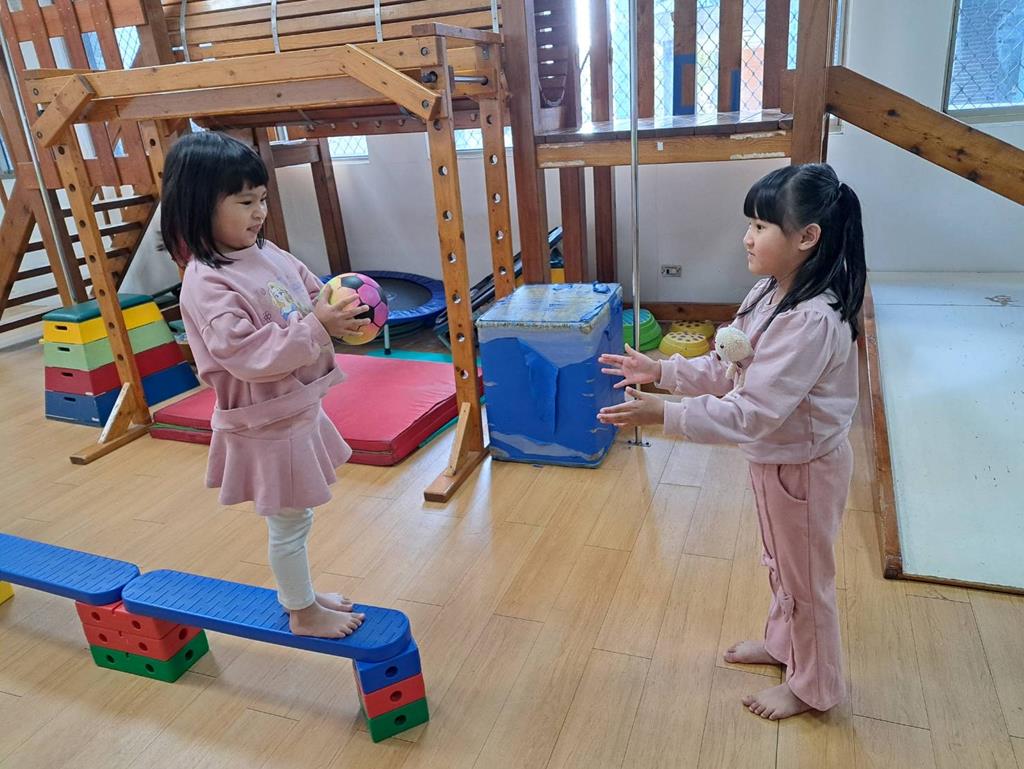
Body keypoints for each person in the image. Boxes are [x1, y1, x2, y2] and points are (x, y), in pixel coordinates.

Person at [598, 163, 866, 720]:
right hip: (777, 461)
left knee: (806, 581)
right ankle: (784, 646)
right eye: (750, 223)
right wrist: (663, 371)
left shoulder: (812, 320)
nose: (747, 237)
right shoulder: (768, 293)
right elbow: (729, 368)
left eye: (761, 226)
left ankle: (814, 688)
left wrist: (664, 415)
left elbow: (753, 412)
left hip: (805, 469)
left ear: (807, 237)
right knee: (782, 564)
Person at [163, 131, 369, 638]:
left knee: (297, 518)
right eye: (244, 202)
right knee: (289, 523)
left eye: (262, 199)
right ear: (199, 206)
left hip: (294, 407)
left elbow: (311, 290)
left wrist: (342, 310)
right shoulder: (207, 284)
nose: (259, 213)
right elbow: (249, 357)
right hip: (267, 423)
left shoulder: (265, 251)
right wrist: (318, 327)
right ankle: (302, 611)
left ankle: (303, 595)